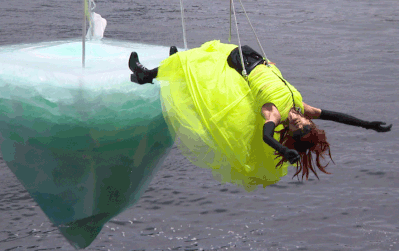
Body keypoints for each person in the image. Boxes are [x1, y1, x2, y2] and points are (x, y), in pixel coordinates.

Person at [128, 40, 392, 187]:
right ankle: (174, 66)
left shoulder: (274, 114)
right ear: (307, 120)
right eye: (303, 122)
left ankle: (145, 75)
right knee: (199, 60)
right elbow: (337, 116)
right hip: (259, 60)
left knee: (196, 61)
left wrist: (282, 149)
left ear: (289, 131)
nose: (297, 119)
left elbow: (267, 136)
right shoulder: (302, 108)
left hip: (241, 62)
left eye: (296, 126)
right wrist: (368, 124)